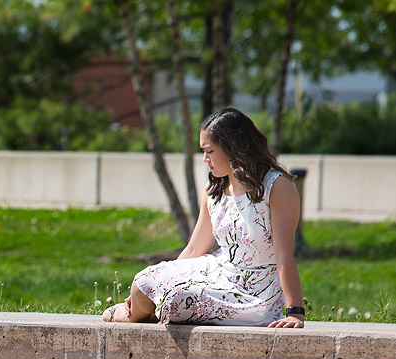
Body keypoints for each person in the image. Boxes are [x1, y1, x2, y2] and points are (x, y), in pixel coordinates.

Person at [103, 107, 306, 328]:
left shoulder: (277, 186)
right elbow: (194, 249)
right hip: (219, 272)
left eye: (209, 151)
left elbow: (284, 254)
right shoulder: (214, 189)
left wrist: (295, 312)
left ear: (232, 148)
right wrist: (163, 282)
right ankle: (145, 311)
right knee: (144, 281)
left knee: (175, 300)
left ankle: (136, 314)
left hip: (256, 293)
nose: (204, 159)